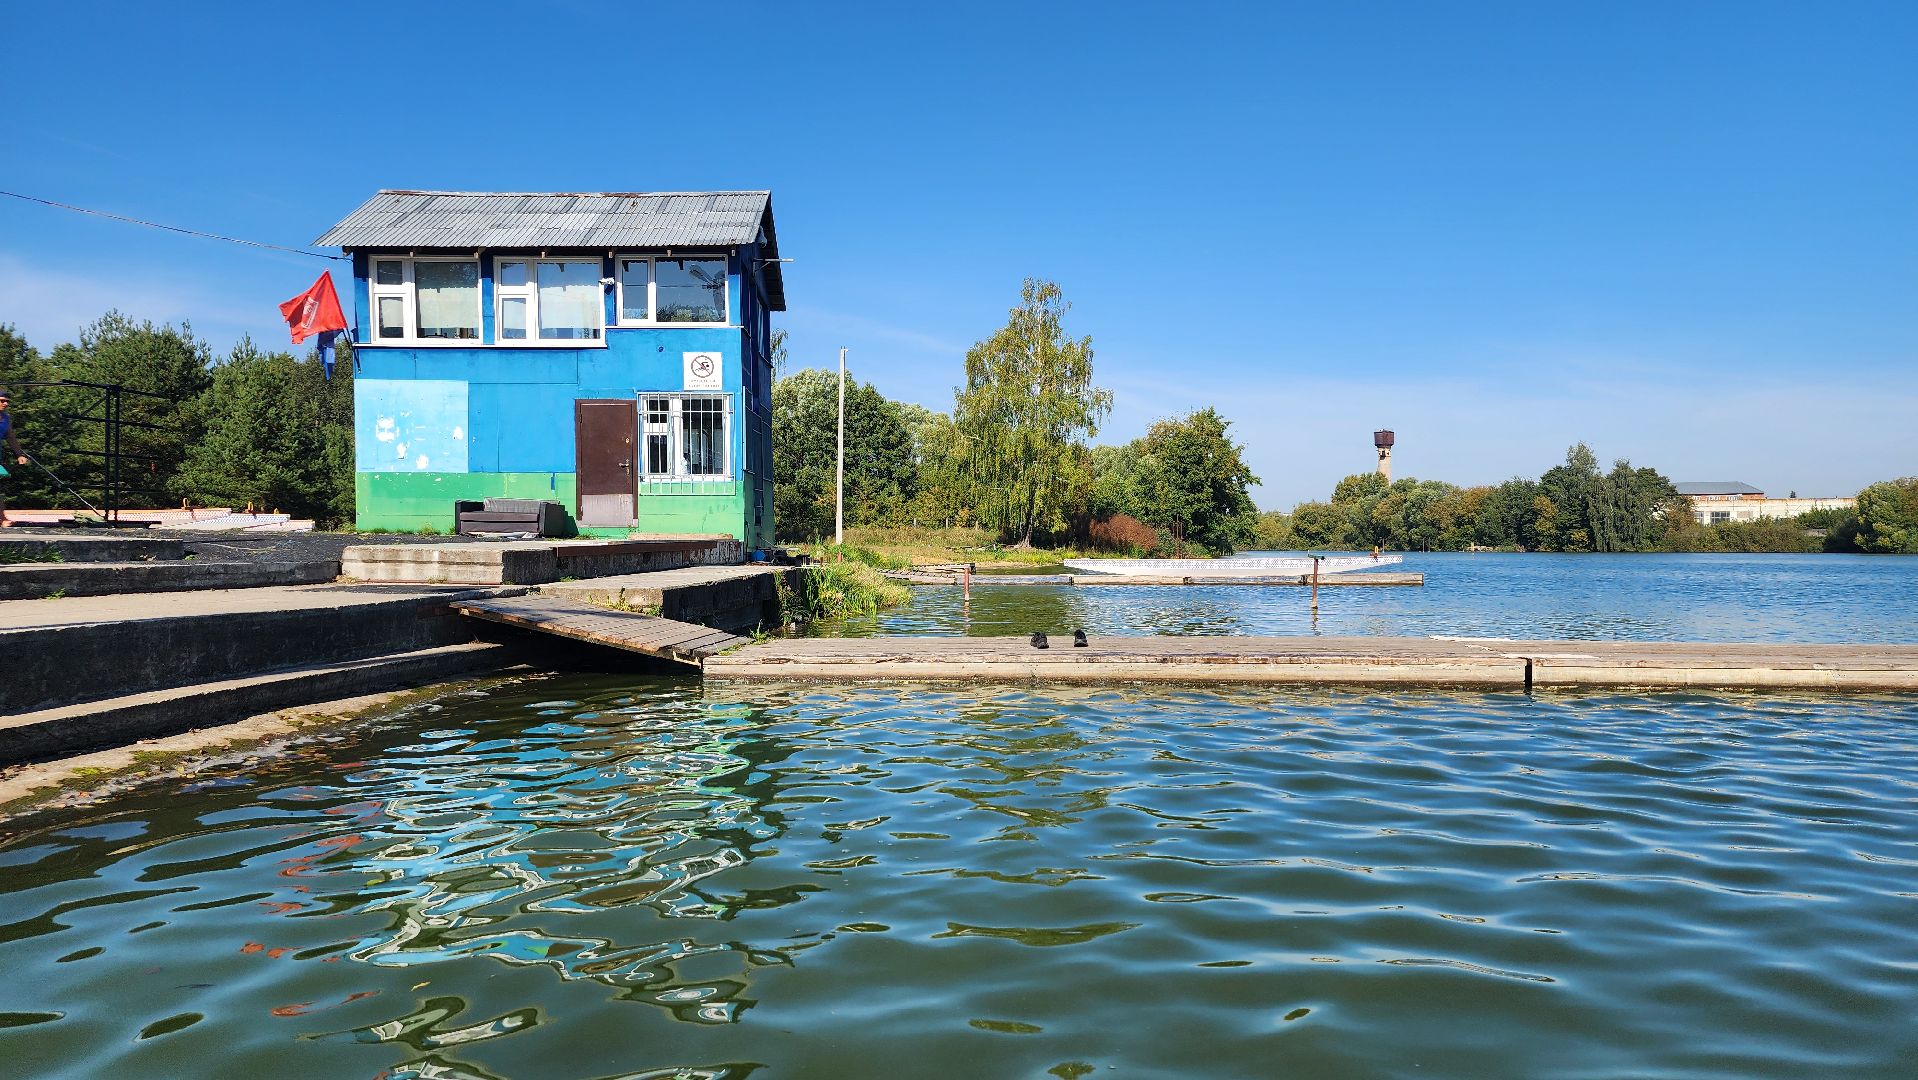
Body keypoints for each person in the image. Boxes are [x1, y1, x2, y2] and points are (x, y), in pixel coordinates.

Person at [0, 389, 26, 528]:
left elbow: (11, 437)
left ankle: (2, 518)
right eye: (2, 400)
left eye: (7, 401)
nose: (5, 403)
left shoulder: (6, 418)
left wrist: (19, 454)